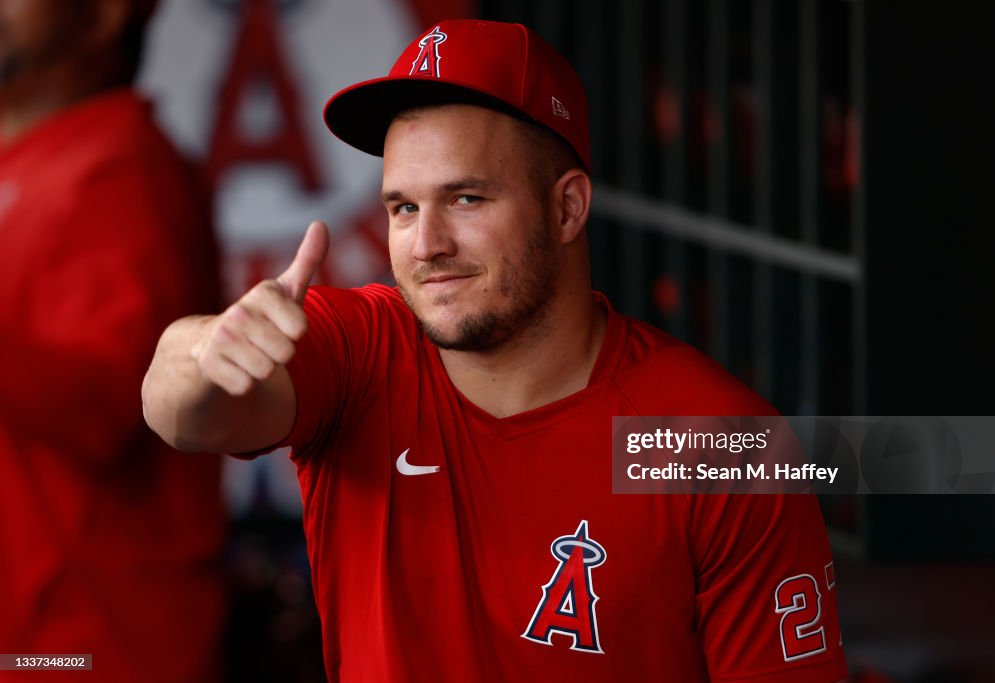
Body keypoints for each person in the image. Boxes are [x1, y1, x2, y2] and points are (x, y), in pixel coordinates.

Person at [143, 18, 846, 682]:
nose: (426, 246)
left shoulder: (722, 444)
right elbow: (183, 415)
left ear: (567, 207)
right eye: (403, 207)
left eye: (468, 198)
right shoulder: (361, 350)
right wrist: (207, 352)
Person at [0, 1, 224, 680]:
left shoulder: (125, 168)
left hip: (90, 646)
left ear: (103, 15)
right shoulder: (35, 159)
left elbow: (106, 409)